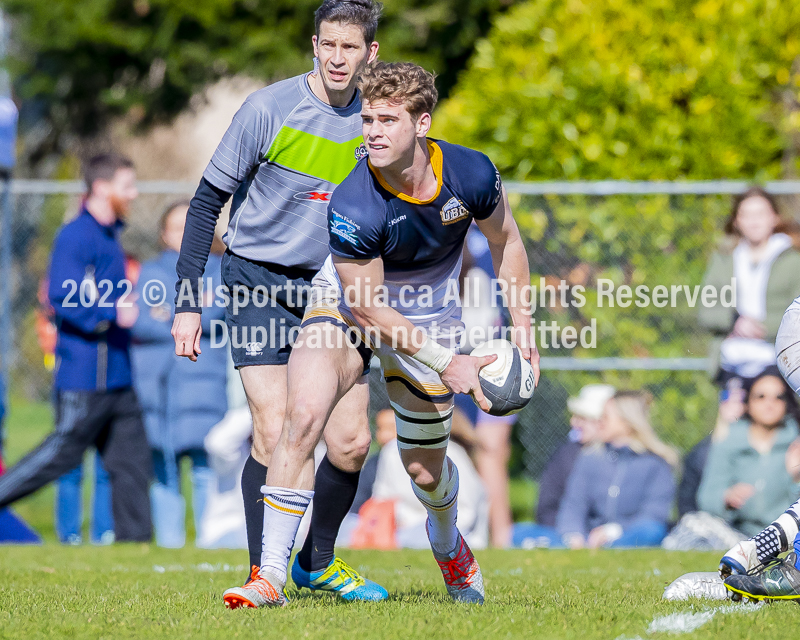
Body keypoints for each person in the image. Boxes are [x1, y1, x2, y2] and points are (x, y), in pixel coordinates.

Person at [223, 60, 539, 608]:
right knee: (302, 414)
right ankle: (269, 575)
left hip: (432, 312)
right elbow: (367, 310)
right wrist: (451, 362)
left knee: (424, 468)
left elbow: (507, 241)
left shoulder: (472, 174)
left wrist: (523, 324)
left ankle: (448, 544)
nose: (372, 131)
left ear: (422, 123)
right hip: (349, 305)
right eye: (367, 118)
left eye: (387, 120)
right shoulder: (354, 201)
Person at [171, 0, 386, 603]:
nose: (337, 58)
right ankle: (262, 572)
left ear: (370, 53)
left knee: (350, 442)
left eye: (350, 47)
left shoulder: (375, 121)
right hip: (257, 279)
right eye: (328, 45)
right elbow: (205, 203)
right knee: (272, 429)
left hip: (331, 288)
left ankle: (316, 562)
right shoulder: (268, 109)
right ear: (313, 46)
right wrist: (188, 302)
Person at [0, 153, 152, 542]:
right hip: (84, 377)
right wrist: (110, 313)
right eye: (126, 186)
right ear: (101, 188)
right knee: (59, 456)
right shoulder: (75, 236)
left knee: (132, 462)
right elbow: (61, 298)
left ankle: (136, 548)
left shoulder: (111, 236)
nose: (133, 194)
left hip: (119, 377)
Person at [131, 202, 228, 547]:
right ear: (162, 234)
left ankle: (207, 541)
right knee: (164, 472)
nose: (183, 234)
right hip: (157, 388)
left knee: (205, 469)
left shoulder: (220, 268)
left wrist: (169, 313)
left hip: (205, 384)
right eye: (175, 227)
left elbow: (217, 310)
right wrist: (188, 312)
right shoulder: (150, 271)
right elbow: (140, 319)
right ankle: (169, 545)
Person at [699, 187, 800, 385]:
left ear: (774, 217)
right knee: (732, 416)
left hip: (778, 363)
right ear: (736, 221)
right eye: (746, 215)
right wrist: (735, 322)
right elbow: (707, 310)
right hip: (732, 364)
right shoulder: (724, 260)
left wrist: (763, 327)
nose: (754, 221)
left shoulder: (793, 261)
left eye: (760, 214)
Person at [556, 390, 677, 549]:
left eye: (605, 417)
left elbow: (654, 515)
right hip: (589, 537)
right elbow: (573, 506)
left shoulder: (655, 464)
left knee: (652, 531)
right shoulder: (589, 458)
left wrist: (613, 532)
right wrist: (573, 534)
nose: (599, 422)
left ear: (627, 421)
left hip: (631, 535)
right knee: (522, 532)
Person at [696, 367, 800, 538]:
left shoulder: (796, 443)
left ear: (787, 402)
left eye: (778, 397)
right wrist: (726, 498)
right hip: (736, 533)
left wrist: (796, 479)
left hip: (787, 535)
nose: (769, 403)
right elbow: (706, 498)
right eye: (761, 396)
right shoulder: (728, 442)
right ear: (748, 402)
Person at [511, 383, 614, 548]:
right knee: (517, 533)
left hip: (606, 535)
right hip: (564, 531)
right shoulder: (566, 454)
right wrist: (572, 533)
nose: (574, 423)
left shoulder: (624, 457)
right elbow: (548, 507)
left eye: (583, 418)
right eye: (575, 417)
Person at [371, 407, 489, 550]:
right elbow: (381, 499)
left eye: (391, 427)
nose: (384, 436)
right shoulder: (390, 453)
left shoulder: (451, 453)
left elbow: (467, 514)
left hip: (452, 533)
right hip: (400, 530)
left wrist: (422, 527)